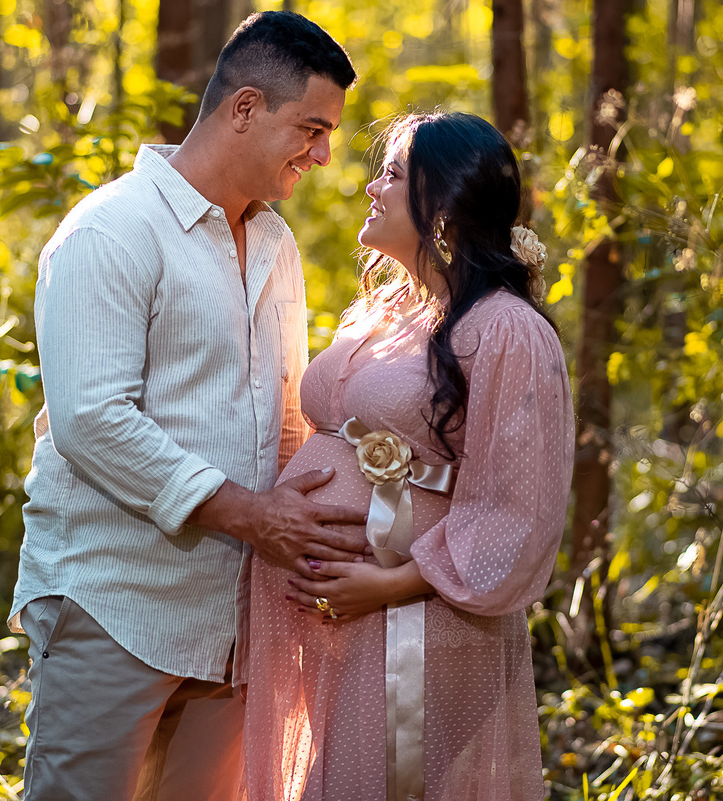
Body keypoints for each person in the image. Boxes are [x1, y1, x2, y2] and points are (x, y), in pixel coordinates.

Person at [8, 12, 362, 801]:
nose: (324, 154)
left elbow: (284, 413)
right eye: (310, 127)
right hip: (114, 602)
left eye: (329, 132)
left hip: (236, 619)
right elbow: (93, 419)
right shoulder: (109, 231)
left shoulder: (277, 244)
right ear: (243, 108)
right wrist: (252, 515)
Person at [243, 112, 575, 801]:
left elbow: (518, 510)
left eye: (392, 173)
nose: (371, 187)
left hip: (416, 624)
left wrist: (386, 586)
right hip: (346, 622)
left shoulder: (507, 330)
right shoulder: (391, 312)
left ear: (445, 205)